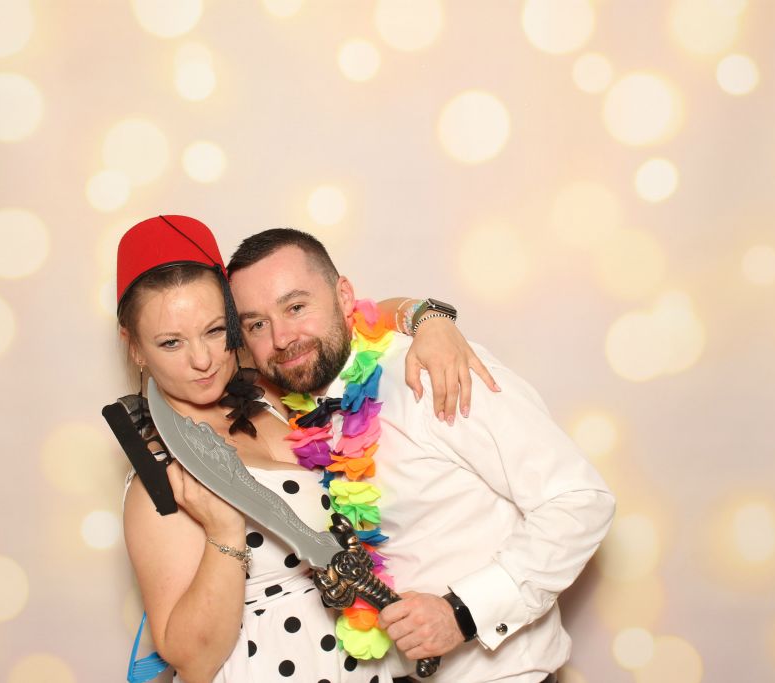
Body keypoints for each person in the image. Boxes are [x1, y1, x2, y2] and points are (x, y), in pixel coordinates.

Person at [115, 215, 494, 683]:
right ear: (136, 347)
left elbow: (345, 319)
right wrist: (224, 531)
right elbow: (193, 659)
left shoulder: (273, 390)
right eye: (171, 342)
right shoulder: (164, 475)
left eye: (214, 331)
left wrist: (430, 321)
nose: (202, 359)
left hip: (362, 662)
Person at [227, 229, 616, 683]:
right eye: (257, 325)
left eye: (296, 307)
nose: (281, 338)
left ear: (344, 295)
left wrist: (462, 613)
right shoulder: (294, 409)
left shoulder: (432, 374)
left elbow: (579, 501)